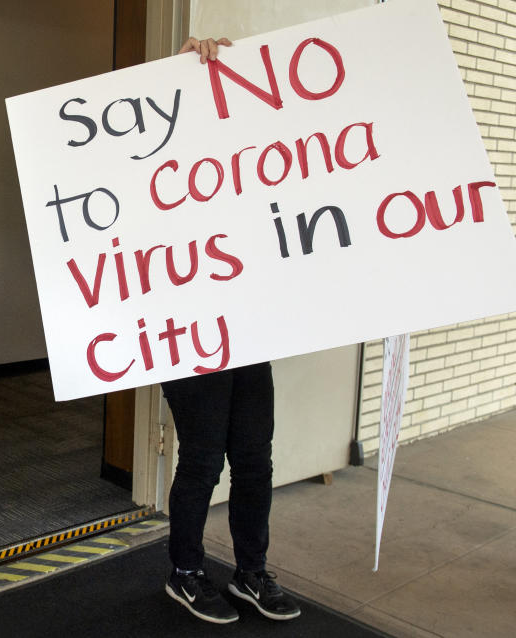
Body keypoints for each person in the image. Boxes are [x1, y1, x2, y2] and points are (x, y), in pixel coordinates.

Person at [161, 37, 301, 625]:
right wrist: (180, 65)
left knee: (254, 459)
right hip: (191, 329)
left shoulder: (252, 160)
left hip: (248, 329)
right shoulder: (158, 159)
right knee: (201, 459)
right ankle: (186, 572)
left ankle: (250, 572)